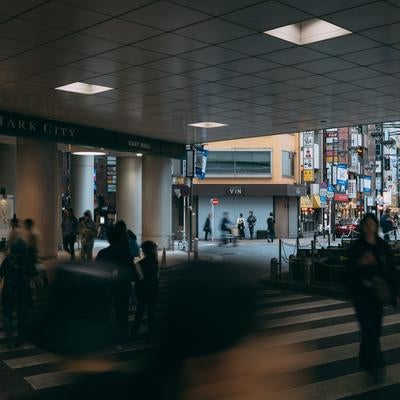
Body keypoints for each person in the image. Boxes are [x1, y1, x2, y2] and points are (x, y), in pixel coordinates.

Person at [347, 213, 398, 382]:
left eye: (372, 224)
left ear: (376, 226)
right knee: (368, 329)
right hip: (361, 295)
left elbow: (391, 271)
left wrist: (394, 295)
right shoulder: (356, 247)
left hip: (377, 295)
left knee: (374, 331)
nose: (369, 227)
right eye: (366, 224)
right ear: (362, 226)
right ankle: (375, 364)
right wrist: (360, 263)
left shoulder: (382, 246)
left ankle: (366, 359)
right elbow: (347, 272)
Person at [96, 226, 134, 347]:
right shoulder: (126, 254)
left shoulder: (102, 254)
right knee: (122, 314)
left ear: (109, 239)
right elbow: (132, 273)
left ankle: (103, 337)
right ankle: (120, 340)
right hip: (122, 288)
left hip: (106, 287)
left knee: (105, 313)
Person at [0, 238, 39, 348]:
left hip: (9, 292)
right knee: (23, 316)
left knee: (7, 316)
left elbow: (0, 275)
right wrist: (39, 291)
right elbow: (36, 279)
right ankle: (21, 340)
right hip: (23, 292)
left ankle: (10, 340)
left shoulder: (7, 261)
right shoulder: (28, 261)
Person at [132, 241, 159, 343]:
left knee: (139, 312)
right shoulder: (155, 262)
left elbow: (137, 278)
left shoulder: (139, 264)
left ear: (143, 251)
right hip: (153, 290)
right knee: (151, 314)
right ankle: (152, 335)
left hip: (142, 291)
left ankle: (134, 333)